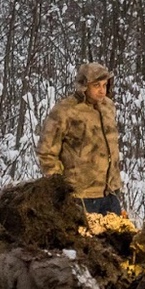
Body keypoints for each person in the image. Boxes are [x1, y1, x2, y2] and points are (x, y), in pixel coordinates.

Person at [37, 62, 125, 216]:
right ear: (84, 86)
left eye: (105, 85)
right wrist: (60, 187)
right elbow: (46, 151)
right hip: (81, 195)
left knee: (114, 239)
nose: (102, 90)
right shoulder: (65, 110)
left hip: (111, 192)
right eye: (96, 85)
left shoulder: (108, 107)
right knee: (84, 240)